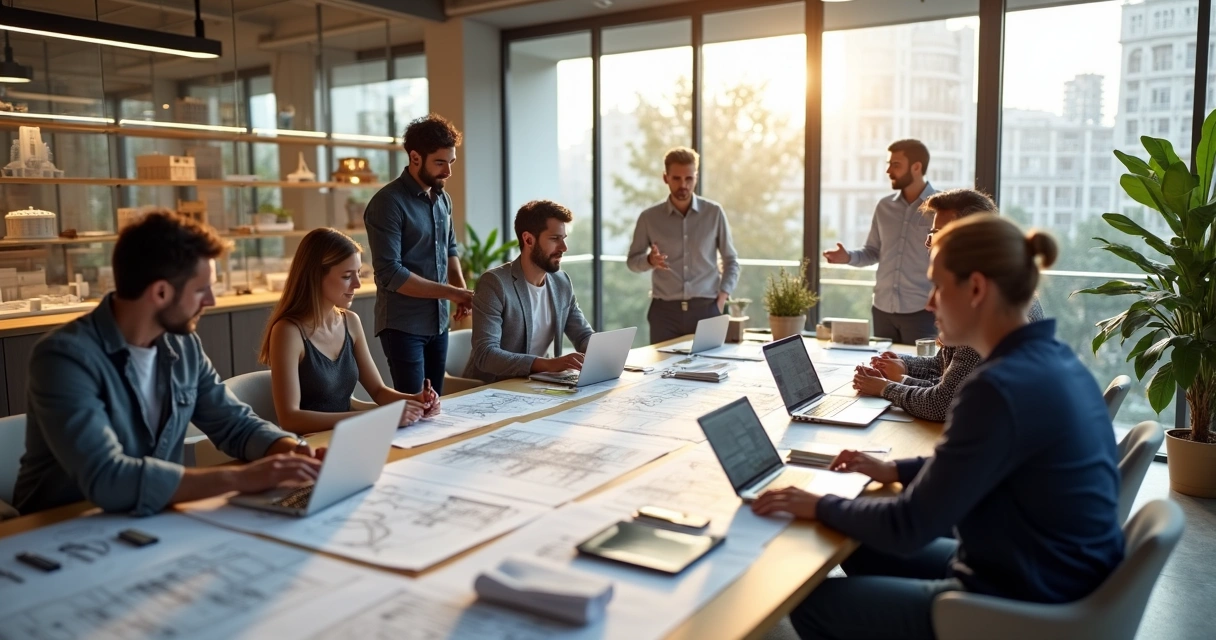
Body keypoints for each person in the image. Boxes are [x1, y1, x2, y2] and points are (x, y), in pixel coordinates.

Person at [754, 215, 1124, 640]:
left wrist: (817, 504)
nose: (929, 304)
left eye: (937, 287)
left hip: (1016, 603)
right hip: (1040, 570)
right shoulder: (1055, 362)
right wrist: (895, 470)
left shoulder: (997, 388)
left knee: (812, 605)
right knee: (859, 546)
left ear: (977, 289)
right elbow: (977, 461)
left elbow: (909, 525)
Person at [14, 213, 323, 516]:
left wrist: (292, 451)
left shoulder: (182, 344)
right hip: (60, 530)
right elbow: (107, 478)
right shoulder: (63, 358)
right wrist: (241, 478)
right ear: (160, 292)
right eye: (202, 289)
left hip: (151, 519)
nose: (211, 301)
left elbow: (234, 424)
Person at [850, 189, 1045, 421]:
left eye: (937, 234)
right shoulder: (999, 288)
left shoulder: (985, 311)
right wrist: (902, 365)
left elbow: (942, 403)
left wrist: (886, 387)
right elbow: (946, 368)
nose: (928, 243)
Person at [260, 228, 440, 435]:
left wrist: (416, 400)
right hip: (310, 448)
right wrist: (377, 417)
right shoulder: (288, 332)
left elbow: (378, 391)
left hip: (350, 437)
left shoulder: (350, 322)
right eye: (347, 276)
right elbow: (290, 419)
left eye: (358, 274)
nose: (357, 284)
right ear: (315, 277)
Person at [365, 113, 473, 396]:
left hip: (438, 323)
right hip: (403, 326)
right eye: (440, 163)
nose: (448, 172)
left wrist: (460, 290)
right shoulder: (388, 203)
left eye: (451, 162)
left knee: (435, 404)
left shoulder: (442, 199)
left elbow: (450, 249)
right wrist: (451, 293)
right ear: (415, 158)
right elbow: (391, 273)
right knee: (414, 408)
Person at [465, 200, 594, 384]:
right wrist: (548, 364)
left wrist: (602, 353)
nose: (564, 248)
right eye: (555, 239)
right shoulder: (495, 284)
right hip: (493, 388)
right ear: (528, 240)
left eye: (563, 238)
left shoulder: (561, 282)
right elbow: (486, 355)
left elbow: (582, 335)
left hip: (536, 385)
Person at [823, 139, 937, 344]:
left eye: (896, 165)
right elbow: (872, 251)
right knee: (882, 370)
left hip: (923, 312)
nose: (888, 171)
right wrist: (848, 257)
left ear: (917, 167)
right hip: (883, 310)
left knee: (923, 372)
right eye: (889, 164)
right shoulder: (884, 207)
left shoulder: (940, 208)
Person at [627, 146, 740, 344]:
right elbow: (632, 262)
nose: (683, 185)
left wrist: (721, 299)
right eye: (677, 178)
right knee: (663, 373)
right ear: (665, 178)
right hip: (664, 314)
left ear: (696, 177)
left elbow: (731, 261)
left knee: (710, 369)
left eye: (689, 178)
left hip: (706, 310)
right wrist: (649, 260)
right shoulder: (649, 218)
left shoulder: (714, 213)